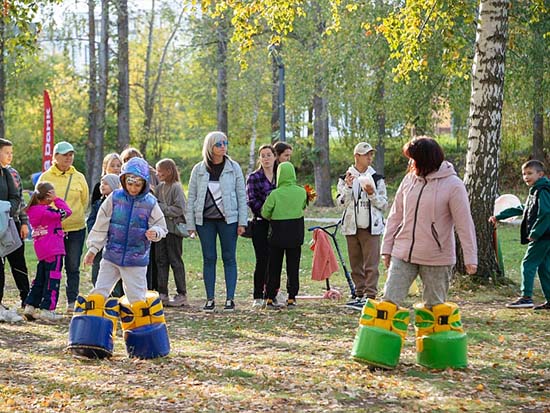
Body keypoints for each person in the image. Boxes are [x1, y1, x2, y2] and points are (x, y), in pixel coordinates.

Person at [381, 137, 478, 306]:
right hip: (403, 253)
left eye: (414, 159)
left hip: (436, 258)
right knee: (388, 303)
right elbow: (395, 215)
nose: (411, 163)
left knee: (434, 309)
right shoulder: (408, 180)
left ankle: (430, 333)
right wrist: (386, 248)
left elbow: (464, 224)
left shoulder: (454, 185)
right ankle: (386, 333)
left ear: (426, 160)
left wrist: (470, 258)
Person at [83, 157, 167, 304]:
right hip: (111, 257)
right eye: (130, 183)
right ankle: (95, 323)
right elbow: (101, 224)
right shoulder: (114, 198)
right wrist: (93, 248)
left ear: (144, 184)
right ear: (123, 180)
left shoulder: (150, 203)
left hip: (136, 260)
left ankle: (138, 326)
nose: (133, 188)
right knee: (99, 292)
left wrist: (155, 232)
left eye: (138, 185)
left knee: (137, 299)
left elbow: (161, 226)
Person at [186, 131, 247, 313]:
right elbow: (192, 197)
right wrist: (191, 225)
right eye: (219, 144)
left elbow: (241, 195)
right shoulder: (198, 169)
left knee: (229, 257)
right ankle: (210, 298)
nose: (223, 147)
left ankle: (230, 298)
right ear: (210, 146)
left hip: (229, 220)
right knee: (209, 258)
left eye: (225, 143)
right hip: (205, 222)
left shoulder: (233, 167)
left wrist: (242, 222)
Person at [489, 160, 550, 310]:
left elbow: (546, 213)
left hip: (543, 236)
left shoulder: (543, 190)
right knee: (544, 267)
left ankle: (526, 297)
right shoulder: (536, 190)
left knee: (528, 264)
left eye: (530, 173)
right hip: (545, 236)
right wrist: (499, 216)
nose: (526, 177)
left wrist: (535, 233)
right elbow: (523, 208)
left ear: (540, 174)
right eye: (524, 174)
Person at [37, 141, 89, 313]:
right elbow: (39, 202)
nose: (69, 157)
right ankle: (49, 303)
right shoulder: (46, 176)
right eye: (65, 154)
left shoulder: (79, 177)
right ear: (55, 157)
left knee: (73, 266)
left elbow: (84, 201)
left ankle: (72, 301)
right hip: (53, 231)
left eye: (71, 154)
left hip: (76, 229)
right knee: (53, 268)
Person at [336, 142, 388, 310]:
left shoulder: (377, 178)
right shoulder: (345, 178)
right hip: (351, 226)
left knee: (371, 263)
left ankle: (370, 295)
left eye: (371, 155)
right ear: (356, 156)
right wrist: (349, 187)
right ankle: (359, 293)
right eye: (366, 155)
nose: (370, 158)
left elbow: (383, 204)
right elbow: (340, 203)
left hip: (371, 226)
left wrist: (372, 194)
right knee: (355, 262)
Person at [23, 182, 72, 322]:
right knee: (53, 279)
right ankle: (47, 309)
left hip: (42, 251)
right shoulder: (47, 212)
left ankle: (30, 306)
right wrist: (57, 200)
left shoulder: (33, 211)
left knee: (40, 279)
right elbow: (67, 212)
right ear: (48, 196)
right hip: (54, 249)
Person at [261, 161, 307, 309]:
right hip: (295, 233)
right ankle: (292, 297)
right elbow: (303, 206)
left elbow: (265, 212)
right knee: (293, 267)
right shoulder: (301, 192)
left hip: (277, 234)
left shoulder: (274, 194)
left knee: (274, 266)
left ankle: (269, 296)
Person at [120, 146, 159, 290]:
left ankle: (148, 289)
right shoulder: (123, 178)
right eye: (126, 161)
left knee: (145, 260)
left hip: (145, 225)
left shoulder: (149, 174)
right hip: (126, 227)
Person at [0, 138, 30, 309]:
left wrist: (24, 223)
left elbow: (20, 201)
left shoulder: (14, 174)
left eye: (11, 153)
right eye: (6, 152)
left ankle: (26, 298)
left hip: (14, 223)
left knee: (18, 263)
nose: (10, 156)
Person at [155, 158, 189, 307]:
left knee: (175, 261)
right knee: (161, 261)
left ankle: (182, 293)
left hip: (173, 230)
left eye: (160, 170)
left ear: (169, 171)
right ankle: (162, 293)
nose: (158, 173)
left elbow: (180, 208)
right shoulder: (159, 187)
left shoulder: (176, 187)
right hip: (161, 230)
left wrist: (163, 209)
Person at [246, 144, 277, 308]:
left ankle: (271, 294)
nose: (266, 158)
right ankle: (258, 295)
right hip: (260, 222)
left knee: (275, 260)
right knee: (262, 259)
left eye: (269, 155)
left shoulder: (280, 176)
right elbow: (252, 201)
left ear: (274, 157)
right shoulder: (254, 177)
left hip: (278, 224)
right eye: (263, 156)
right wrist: (267, 213)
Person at [86, 174, 121, 295]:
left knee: (113, 274)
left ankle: (115, 298)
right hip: (99, 245)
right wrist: (95, 233)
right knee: (97, 272)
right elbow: (91, 220)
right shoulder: (97, 203)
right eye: (101, 183)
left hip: (113, 244)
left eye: (106, 183)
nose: (102, 186)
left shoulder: (119, 205)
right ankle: (99, 296)